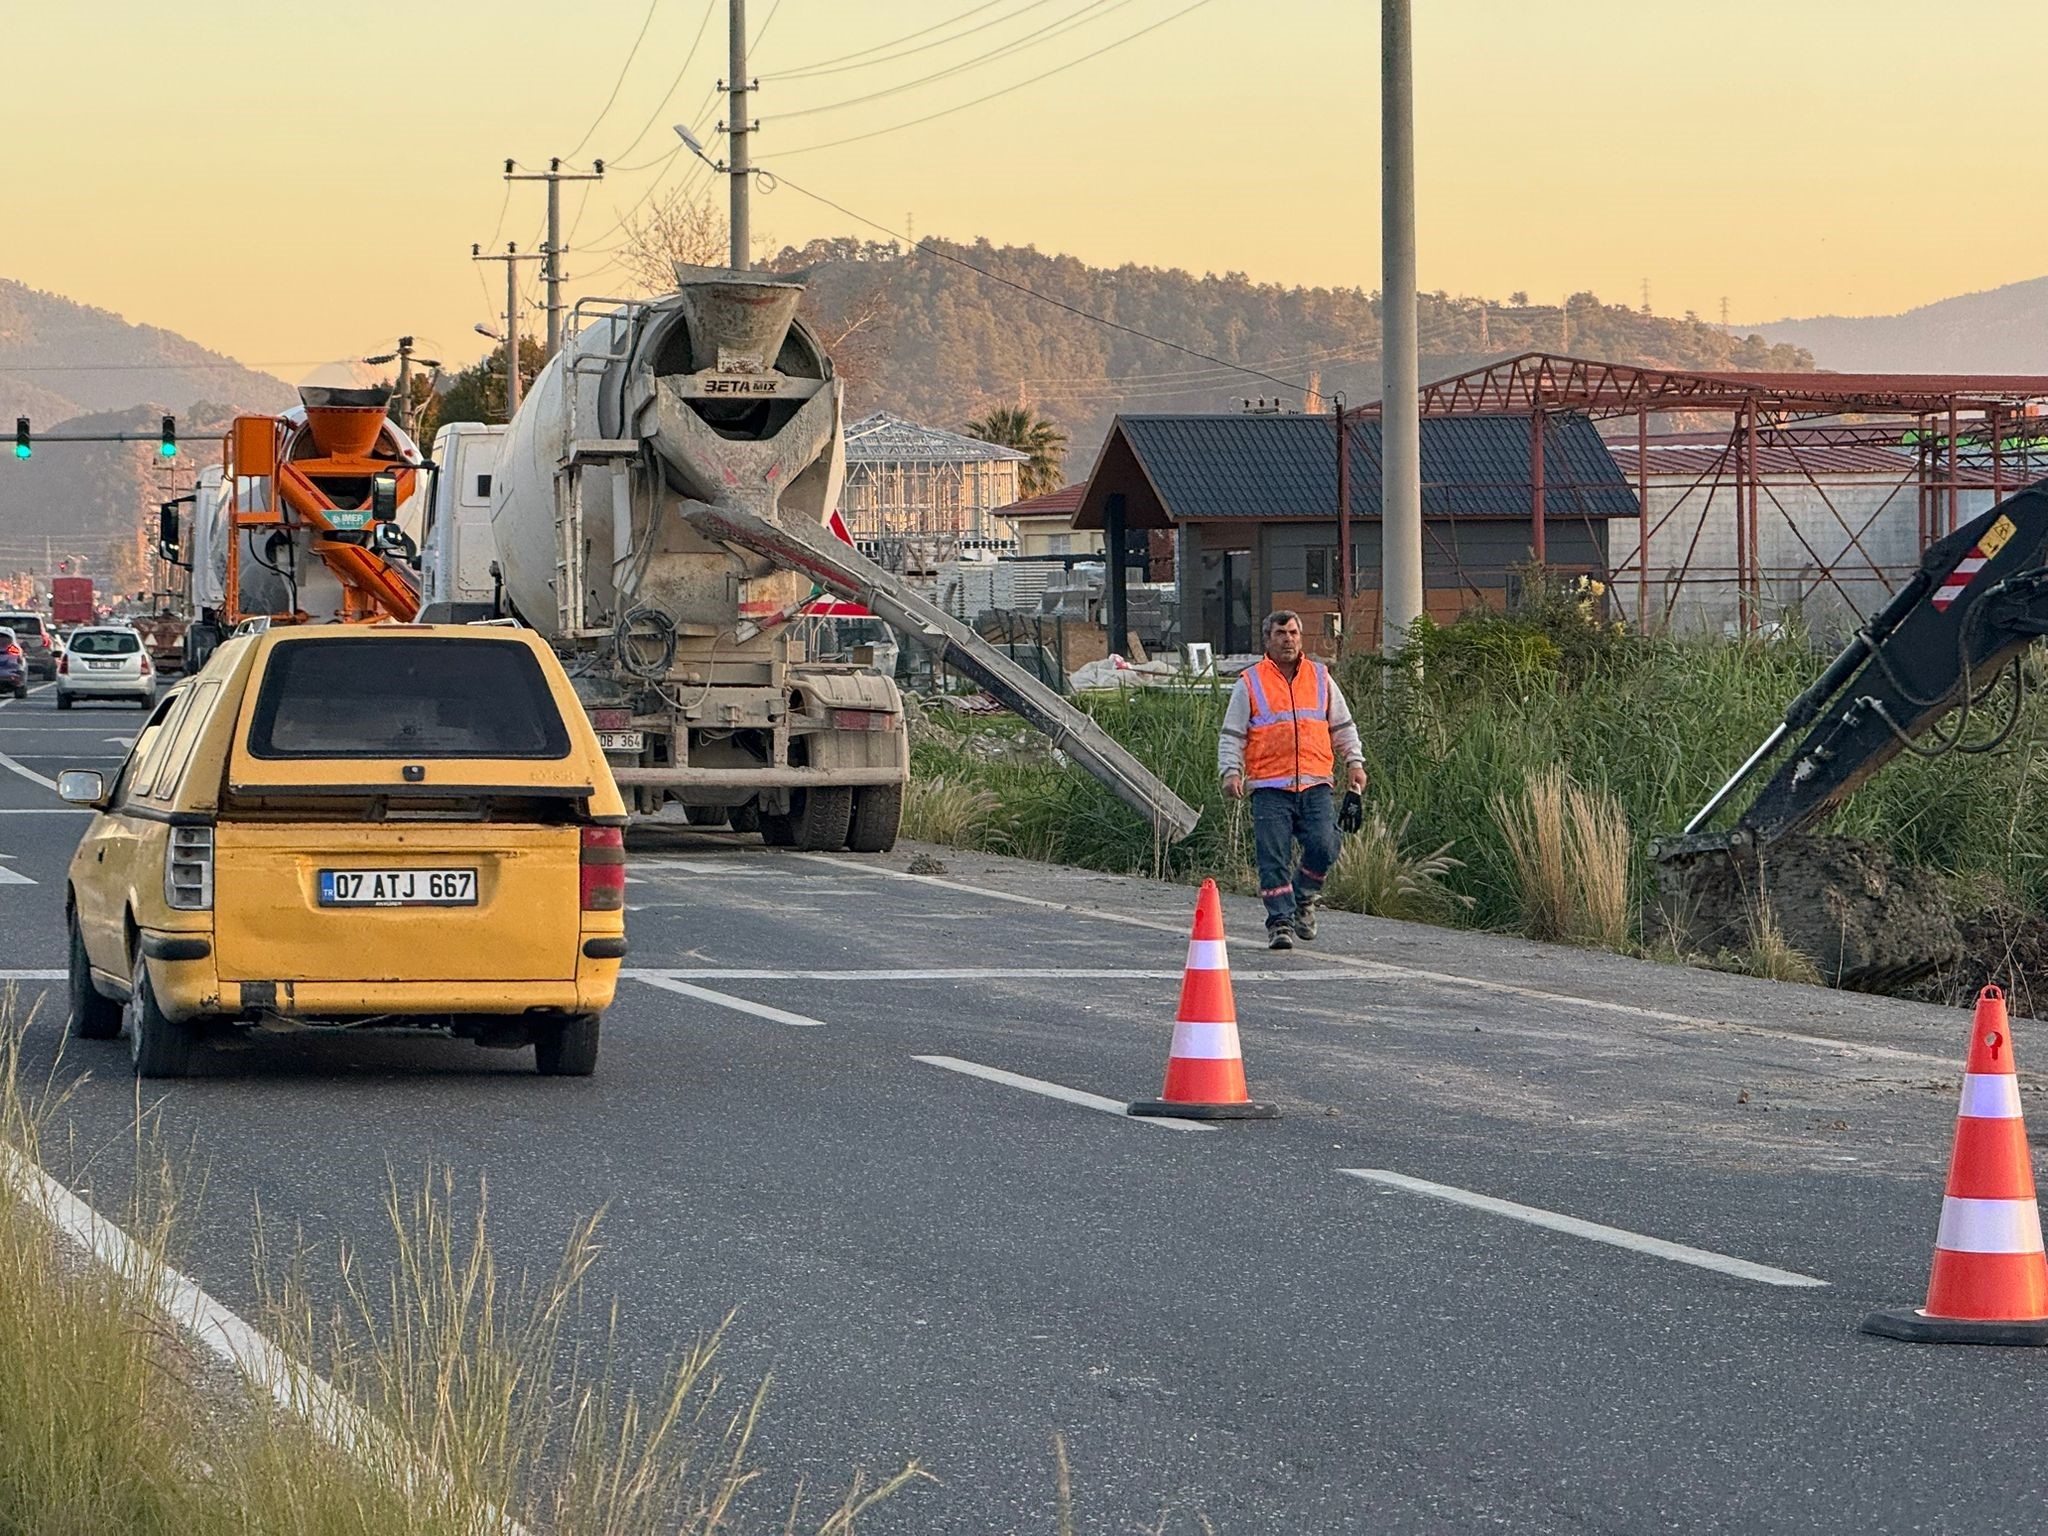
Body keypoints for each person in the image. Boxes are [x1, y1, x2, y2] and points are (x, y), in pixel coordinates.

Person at [1218, 610, 1368, 949]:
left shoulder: (1319, 677)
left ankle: (1304, 896)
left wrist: (1354, 762)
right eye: (1281, 633)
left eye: (1294, 633)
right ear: (1267, 639)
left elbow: (1342, 726)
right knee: (1273, 856)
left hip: (1315, 784)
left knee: (1325, 844)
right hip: (1269, 786)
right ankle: (1280, 922)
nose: (1288, 639)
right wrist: (1231, 771)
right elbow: (1232, 735)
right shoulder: (1250, 682)